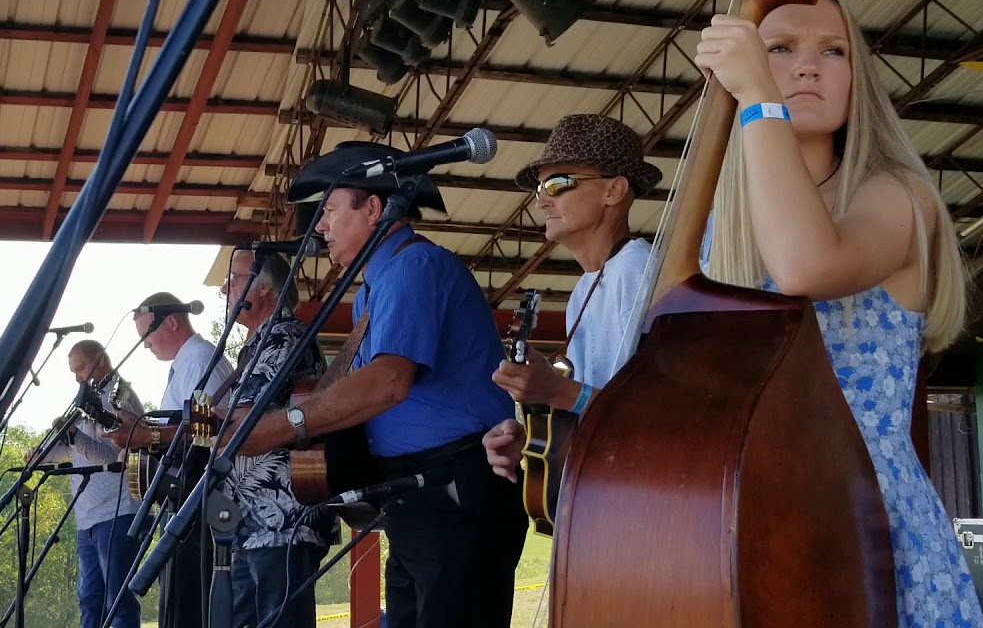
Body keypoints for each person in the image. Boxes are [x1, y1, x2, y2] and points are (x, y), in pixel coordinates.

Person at [694, 0, 983, 626]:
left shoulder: (899, 196)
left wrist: (758, 99)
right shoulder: (717, 228)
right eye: (780, 48)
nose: (807, 65)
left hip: (866, 517)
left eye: (834, 51)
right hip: (745, 519)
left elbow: (807, 265)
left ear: (857, 80)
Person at [229, 143, 528, 628]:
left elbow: (388, 382)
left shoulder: (414, 266)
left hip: (456, 492)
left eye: (327, 211)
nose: (318, 227)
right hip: (421, 497)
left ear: (373, 207)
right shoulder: (378, 282)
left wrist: (284, 426)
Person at [481, 114, 662, 484]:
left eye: (558, 183)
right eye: (539, 189)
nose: (542, 201)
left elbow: (657, 416)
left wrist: (559, 391)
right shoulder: (582, 291)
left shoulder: (642, 273)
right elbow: (588, 413)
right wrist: (532, 439)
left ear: (613, 191)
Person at [217, 249, 340, 628]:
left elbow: (243, 420)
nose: (225, 289)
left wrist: (184, 428)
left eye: (234, 279)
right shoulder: (256, 345)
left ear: (266, 288)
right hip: (253, 521)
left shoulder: (282, 335)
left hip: (282, 519)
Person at [110, 294, 235, 628]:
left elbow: (206, 431)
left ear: (172, 322)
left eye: (145, 336)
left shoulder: (200, 358)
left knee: (190, 603)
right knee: (178, 600)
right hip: (183, 500)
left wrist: (144, 438)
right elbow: (178, 429)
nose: (145, 345)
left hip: (200, 500)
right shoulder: (186, 363)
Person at [31, 340, 144, 628]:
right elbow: (73, 448)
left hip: (117, 513)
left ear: (100, 359)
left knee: (118, 601)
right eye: (74, 371)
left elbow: (114, 457)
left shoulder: (120, 398)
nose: (78, 377)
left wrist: (74, 436)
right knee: (90, 599)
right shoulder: (87, 401)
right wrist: (40, 456)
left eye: (81, 368)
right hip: (89, 518)